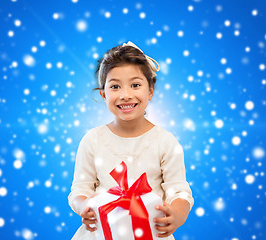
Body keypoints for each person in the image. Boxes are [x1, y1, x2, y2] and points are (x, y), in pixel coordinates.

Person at [68, 41, 194, 239]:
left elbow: (179, 192)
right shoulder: (92, 140)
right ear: (103, 94)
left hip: (151, 232)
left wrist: (177, 215)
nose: (126, 95)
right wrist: (84, 205)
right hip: (101, 232)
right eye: (115, 86)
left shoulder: (165, 142)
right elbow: (79, 189)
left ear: (150, 90)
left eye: (135, 85)